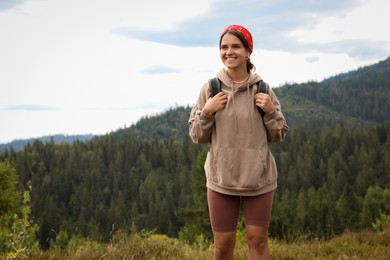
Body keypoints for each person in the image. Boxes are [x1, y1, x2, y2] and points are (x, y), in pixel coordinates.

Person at [188, 24, 289, 260]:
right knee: (223, 247)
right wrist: (207, 112)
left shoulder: (263, 89)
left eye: (236, 46)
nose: (229, 52)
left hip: (258, 179)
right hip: (221, 180)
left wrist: (271, 112)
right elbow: (196, 136)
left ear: (247, 51)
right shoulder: (210, 89)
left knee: (258, 242)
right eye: (224, 47)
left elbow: (279, 134)